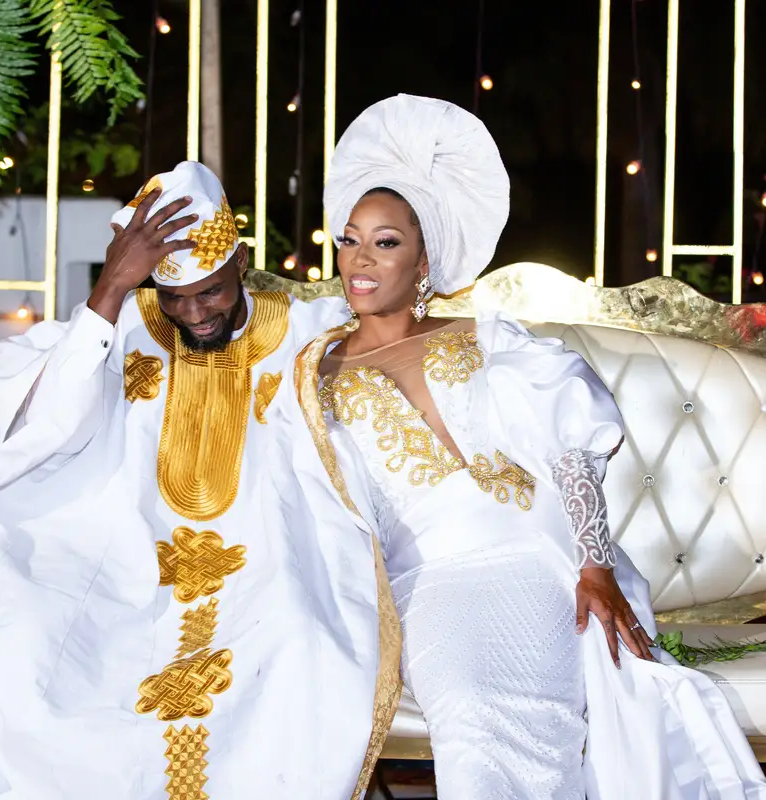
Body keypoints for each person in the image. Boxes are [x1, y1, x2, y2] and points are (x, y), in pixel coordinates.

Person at [0, 162, 390, 799]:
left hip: (262, 562)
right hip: (114, 557)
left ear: (239, 261)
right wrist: (111, 291)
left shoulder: (308, 327)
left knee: (294, 649)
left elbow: (400, 355)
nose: (193, 312)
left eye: (210, 292)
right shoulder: (118, 325)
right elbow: (31, 430)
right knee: (8, 639)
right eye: (173, 296)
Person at [269, 95, 766, 798]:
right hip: (431, 580)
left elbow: (572, 446)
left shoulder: (488, 339)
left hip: (544, 558)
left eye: (386, 243)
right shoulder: (311, 370)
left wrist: (594, 565)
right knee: (474, 714)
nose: (360, 260)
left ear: (425, 260)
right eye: (349, 239)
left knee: (549, 704)